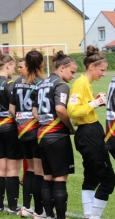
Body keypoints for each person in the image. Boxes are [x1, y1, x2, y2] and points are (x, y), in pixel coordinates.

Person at [68, 45, 115, 219]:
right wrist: (95, 104)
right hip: (89, 134)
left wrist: (94, 102)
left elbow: (82, 107)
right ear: (91, 67)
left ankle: (89, 215)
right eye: (102, 70)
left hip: (88, 132)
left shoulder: (86, 84)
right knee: (108, 179)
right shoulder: (80, 83)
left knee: (92, 178)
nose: (103, 74)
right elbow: (73, 111)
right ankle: (94, 217)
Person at [33, 51, 77, 219]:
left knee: (48, 176)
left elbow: (34, 111)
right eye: (72, 72)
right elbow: (60, 109)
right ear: (62, 68)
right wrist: (70, 127)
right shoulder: (61, 85)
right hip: (57, 136)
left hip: (42, 135)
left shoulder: (43, 83)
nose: (73, 76)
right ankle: (60, 216)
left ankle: (48, 215)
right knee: (60, 178)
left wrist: (45, 120)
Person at [9, 50, 45, 217]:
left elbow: (11, 108)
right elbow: (37, 110)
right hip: (35, 128)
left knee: (29, 169)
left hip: (21, 129)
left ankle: (25, 207)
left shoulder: (17, 82)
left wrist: (20, 121)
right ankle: (39, 210)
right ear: (40, 64)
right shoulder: (40, 83)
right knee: (39, 170)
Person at [0, 51, 23, 213]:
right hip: (9, 126)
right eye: (13, 67)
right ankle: (13, 207)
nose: (14, 71)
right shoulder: (10, 84)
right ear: (8, 65)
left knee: (0, 166)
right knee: (13, 168)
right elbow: (12, 109)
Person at [17, 58, 28, 185]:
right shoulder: (19, 81)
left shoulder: (17, 82)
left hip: (21, 122)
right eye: (18, 67)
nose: (18, 69)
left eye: (21, 67)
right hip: (27, 123)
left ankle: (26, 178)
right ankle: (26, 178)